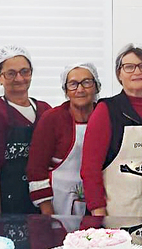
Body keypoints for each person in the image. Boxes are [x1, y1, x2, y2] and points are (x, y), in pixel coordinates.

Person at [80, 44, 142, 217]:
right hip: (112, 214)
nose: (137, 71)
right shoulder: (107, 110)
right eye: (129, 67)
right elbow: (90, 168)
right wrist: (98, 213)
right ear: (119, 74)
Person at [0, 45, 51, 215]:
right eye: (11, 73)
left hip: (43, 201)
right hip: (8, 202)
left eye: (25, 71)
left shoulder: (45, 110)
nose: (19, 78)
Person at [27, 62, 101, 216]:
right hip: (57, 203)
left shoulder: (104, 116)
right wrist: (49, 216)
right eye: (73, 84)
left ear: (96, 87)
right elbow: (36, 169)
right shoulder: (52, 119)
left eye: (87, 82)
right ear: (66, 91)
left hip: (98, 202)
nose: (80, 89)